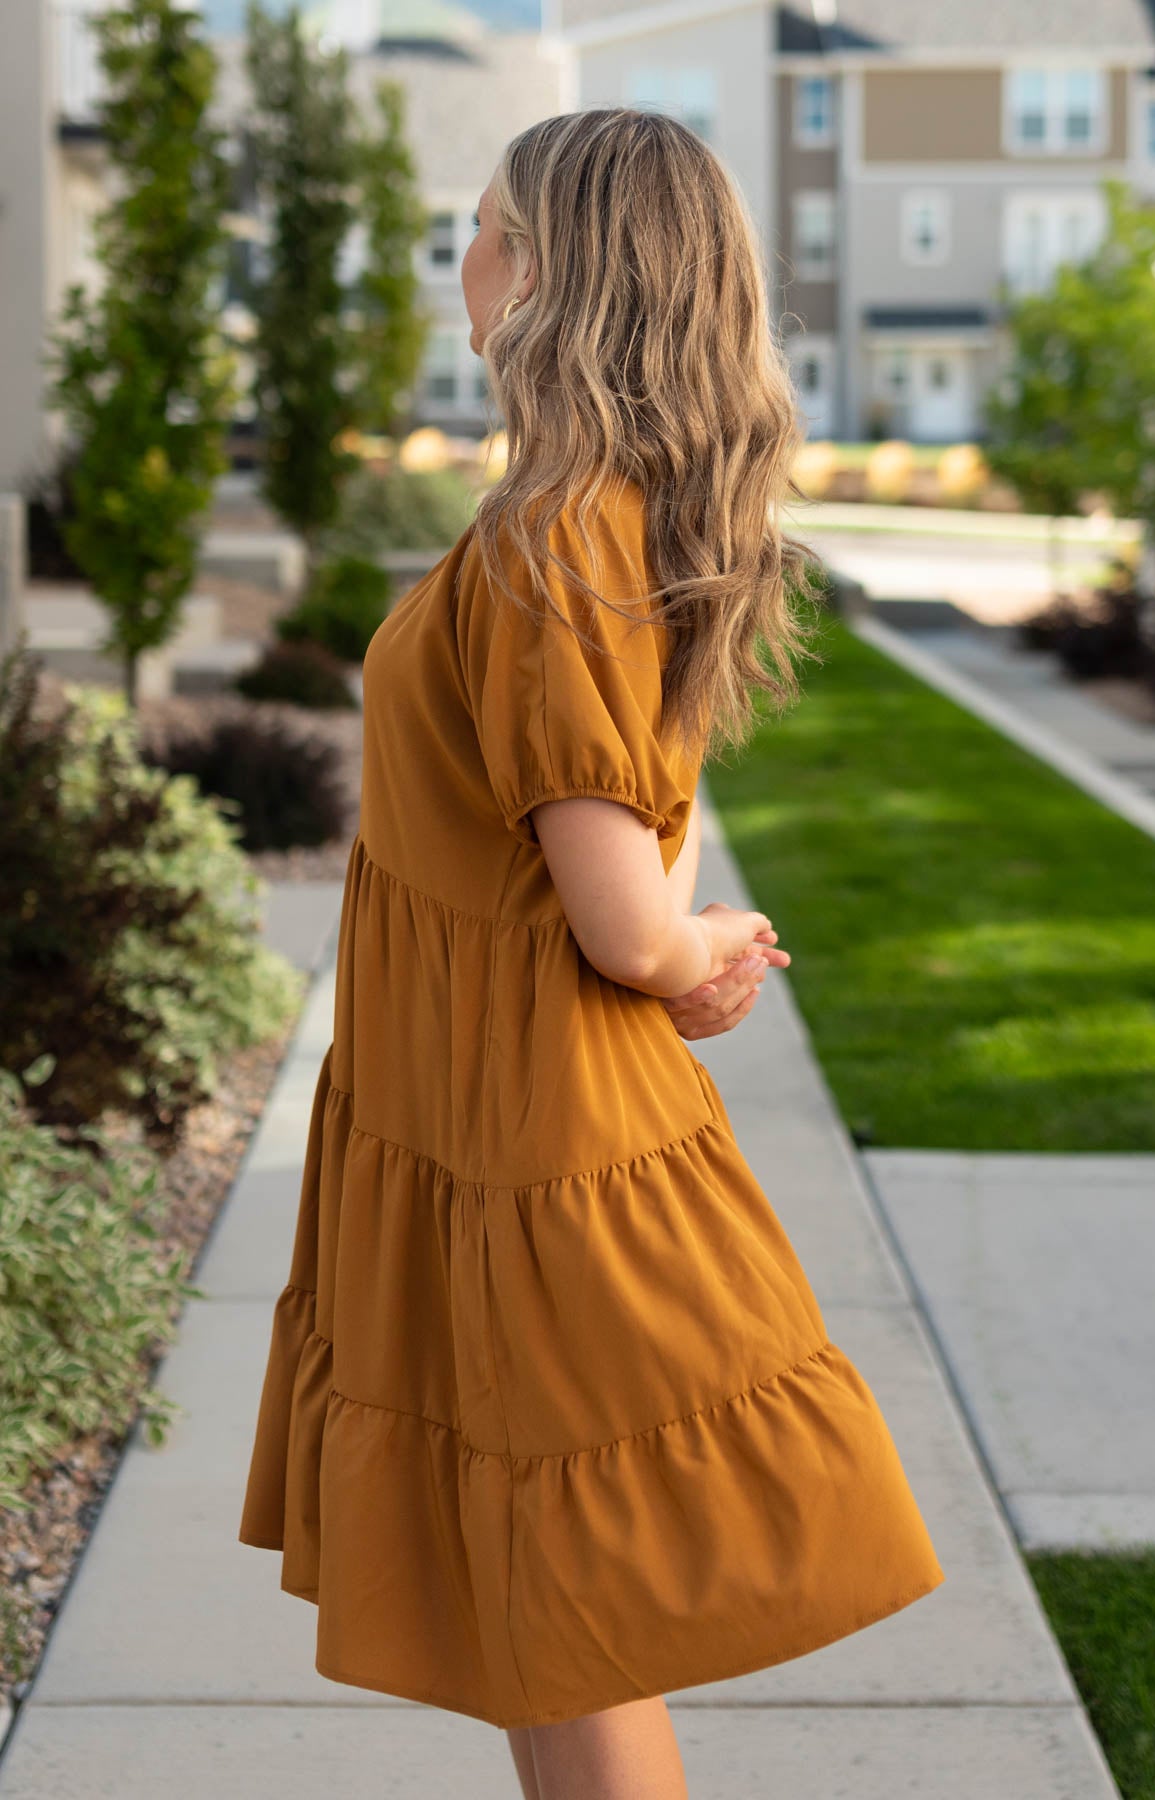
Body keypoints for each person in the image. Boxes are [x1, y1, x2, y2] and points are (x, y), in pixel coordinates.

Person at [238, 107, 944, 1800]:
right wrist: (674, 948)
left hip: (529, 1134)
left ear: (549, 273)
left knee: (565, 1610)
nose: (457, 262)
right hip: (489, 1117)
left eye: (479, 227)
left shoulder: (559, 536)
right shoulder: (594, 519)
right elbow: (624, 860)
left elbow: (626, 913)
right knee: (536, 1613)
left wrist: (684, 948)